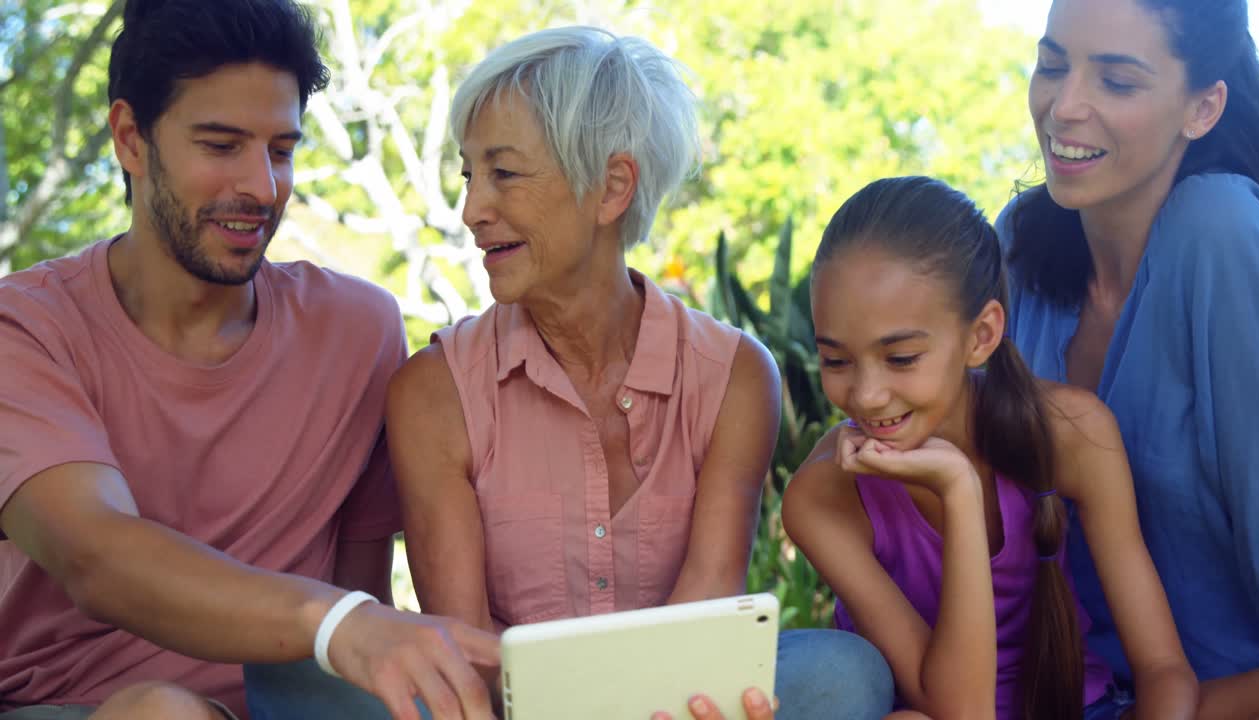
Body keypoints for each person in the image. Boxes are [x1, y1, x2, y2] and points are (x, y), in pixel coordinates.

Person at [245, 25, 894, 720]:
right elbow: (467, 649)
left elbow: (704, 610)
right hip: (506, 709)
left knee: (840, 673)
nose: (472, 211)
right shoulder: (433, 392)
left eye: (504, 173)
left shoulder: (734, 374)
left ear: (612, 187)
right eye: (469, 175)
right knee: (298, 683)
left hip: (676, 706)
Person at [0, 2, 503, 719]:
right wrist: (334, 623)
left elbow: (365, 594)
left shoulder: (356, 331)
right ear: (130, 139)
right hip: (70, 704)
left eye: (281, 150)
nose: (262, 189)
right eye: (221, 145)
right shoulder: (24, 328)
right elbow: (95, 557)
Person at [784, 176, 1199, 720]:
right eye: (836, 361)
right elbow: (961, 711)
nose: (864, 395)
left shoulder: (1074, 431)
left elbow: (1164, 669)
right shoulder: (823, 494)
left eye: (902, 357)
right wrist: (957, 488)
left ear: (981, 336)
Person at [997, 0, 1259, 716]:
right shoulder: (1016, 249)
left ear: (1204, 107)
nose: (1064, 107)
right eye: (1052, 64)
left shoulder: (1222, 235)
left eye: (1117, 82)